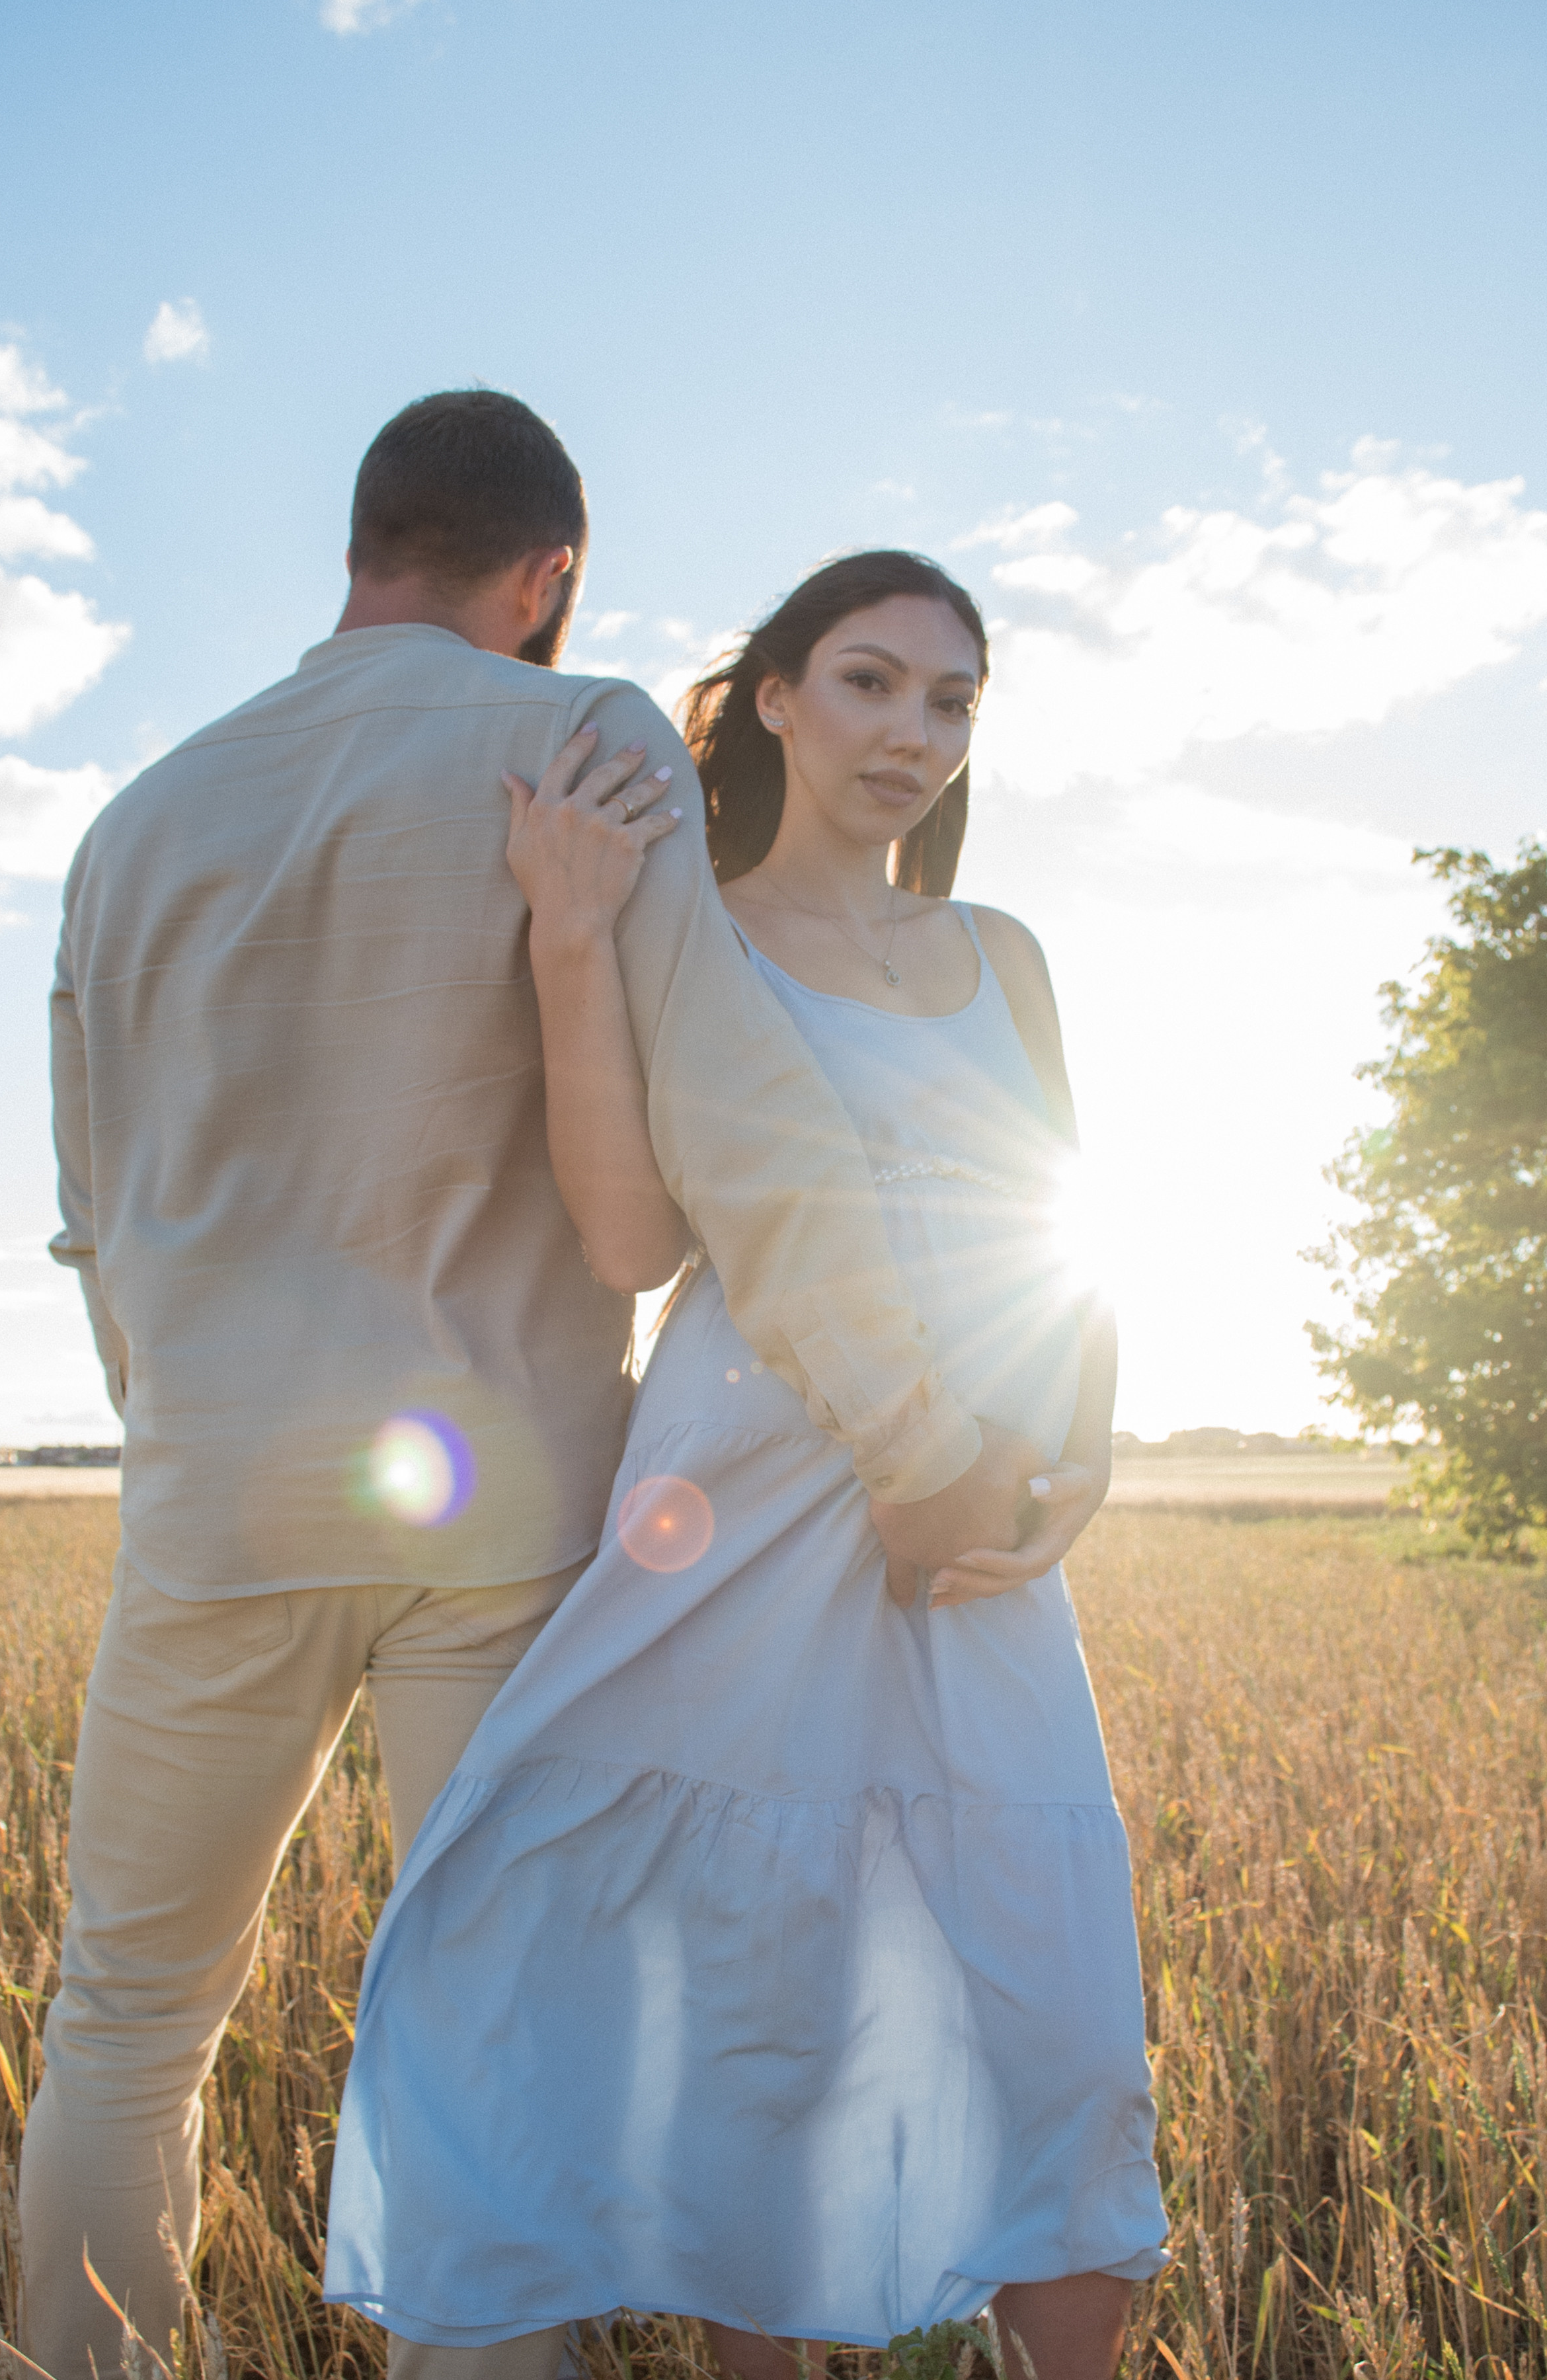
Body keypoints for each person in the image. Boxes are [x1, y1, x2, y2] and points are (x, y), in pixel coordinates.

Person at [25, 404, 1041, 2380]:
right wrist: (917, 1433)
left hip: (213, 1499)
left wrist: (179, 1422)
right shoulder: (580, 744)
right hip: (504, 1512)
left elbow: (94, 1211)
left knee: (126, 2023)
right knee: (497, 2023)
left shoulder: (134, 818)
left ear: (362, 543)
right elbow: (743, 1132)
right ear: (549, 575)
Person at [323, 552, 1169, 2380]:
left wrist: (1088, 1444)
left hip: (970, 1512)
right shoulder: (691, 925)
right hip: (745, 1493)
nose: (912, 731)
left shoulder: (1002, 954)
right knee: (757, 2007)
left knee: (1063, 2027)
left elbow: (1075, 1222)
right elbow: (631, 1240)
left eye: (951, 700)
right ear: (775, 698)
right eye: (870, 681)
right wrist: (572, 937)